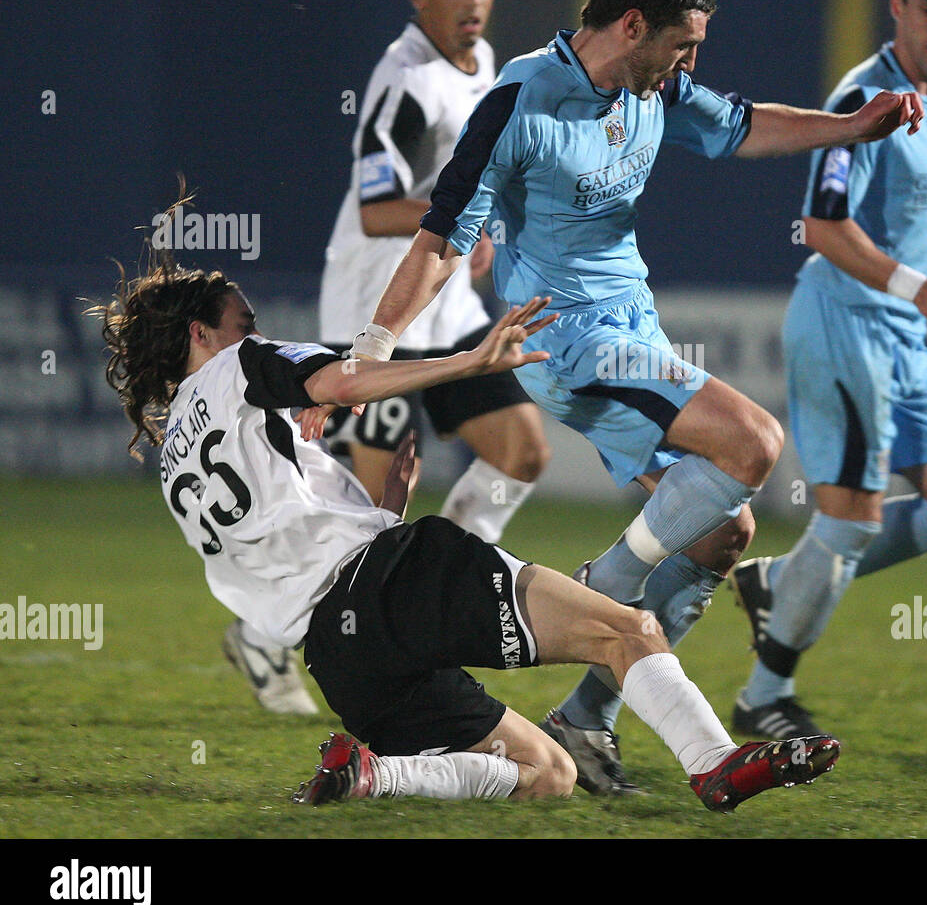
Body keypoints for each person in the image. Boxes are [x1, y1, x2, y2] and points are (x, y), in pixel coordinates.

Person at [340, 0, 927, 794]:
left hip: (635, 329)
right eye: (683, 44)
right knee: (753, 442)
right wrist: (368, 354)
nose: (691, 62)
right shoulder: (522, 99)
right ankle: (604, 583)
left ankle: (584, 719)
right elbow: (441, 240)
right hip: (566, 338)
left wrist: (852, 126)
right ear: (632, 25)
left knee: (722, 533)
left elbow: (747, 126)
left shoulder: (656, 83)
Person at [92, 246, 839, 812]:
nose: (254, 330)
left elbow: (285, 554)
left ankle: (373, 774)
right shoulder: (241, 367)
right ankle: (713, 763)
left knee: (550, 775)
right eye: (241, 321)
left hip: (339, 659)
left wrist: (381, 510)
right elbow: (347, 379)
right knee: (629, 631)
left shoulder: (172, 468)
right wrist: (471, 360)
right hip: (398, 580)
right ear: (202, 333)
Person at [224, 0, 552, 716]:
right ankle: (262, 635)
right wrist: (468, 221)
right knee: (371, 521)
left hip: (449, 318)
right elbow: (378, 210)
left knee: (522, 450)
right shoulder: (404, 80)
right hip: (376, 327)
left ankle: (445, 587)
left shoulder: (486, 73)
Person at [731, 0, 927, 740]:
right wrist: (919, 288)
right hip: (845, 325)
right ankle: (763, 696)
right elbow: (823, 225)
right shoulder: (867, 99)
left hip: (909, 336)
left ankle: (782, 580)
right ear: (898, 9)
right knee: (850, 523)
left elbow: (919, 230)